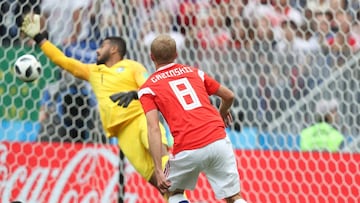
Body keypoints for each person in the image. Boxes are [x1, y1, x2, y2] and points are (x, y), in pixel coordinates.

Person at [20, 13, 172, 200]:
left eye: (102, 46)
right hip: (123, 133)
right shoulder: (93, 71)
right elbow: (63, 61)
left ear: (114, 49)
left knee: (162, 157)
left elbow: (151, 87)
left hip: (141, 118)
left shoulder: (132, 66)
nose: (97, 50)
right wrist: (39, 38)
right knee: (157, 181)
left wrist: (134, 94)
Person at [138, 34, 247, 203]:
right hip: (218, 139)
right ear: (176, 54)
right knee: (233, 197)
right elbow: (229, 96)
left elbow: (153, 128)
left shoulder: (148, 88)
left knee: (173, 192)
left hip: (187, 147)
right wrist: (222, 112)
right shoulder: (196, 73)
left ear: (151, 57)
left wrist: (158, 169)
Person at [37, 70, 105, 143]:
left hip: (85, 125)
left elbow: (99, 108)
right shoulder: (52, 89)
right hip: (59, 125)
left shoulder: (91, 89)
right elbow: (42, 115)